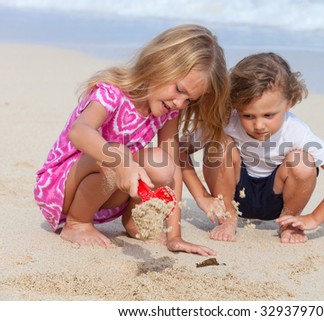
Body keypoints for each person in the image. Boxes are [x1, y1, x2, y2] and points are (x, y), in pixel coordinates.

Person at [34, 24, 230, 255]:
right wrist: (122, 162)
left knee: (162, 162)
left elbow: (173, 168)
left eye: (189, 100)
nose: (179, 103)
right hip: (62, 186)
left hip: (108, 188)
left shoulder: (169, 111)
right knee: (114, 153)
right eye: (179, 89)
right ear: (158, 64)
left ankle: (134, 220)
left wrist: (174, 235)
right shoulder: (111, 92)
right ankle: (77, 223)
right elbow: (79, 131)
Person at [181, 52, 324, 243]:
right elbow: (178, 150)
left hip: (278, 199)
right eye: (247, 116)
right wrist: (202, 196)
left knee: (302, 161)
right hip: (232, 195)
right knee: (220, 144)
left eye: (269, 115)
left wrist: (315, 218)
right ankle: (228, 218)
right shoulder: (226, 120)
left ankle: (289, 224)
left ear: (289, 102)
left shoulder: (297, 132)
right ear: (235, 105)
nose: (258, 125)